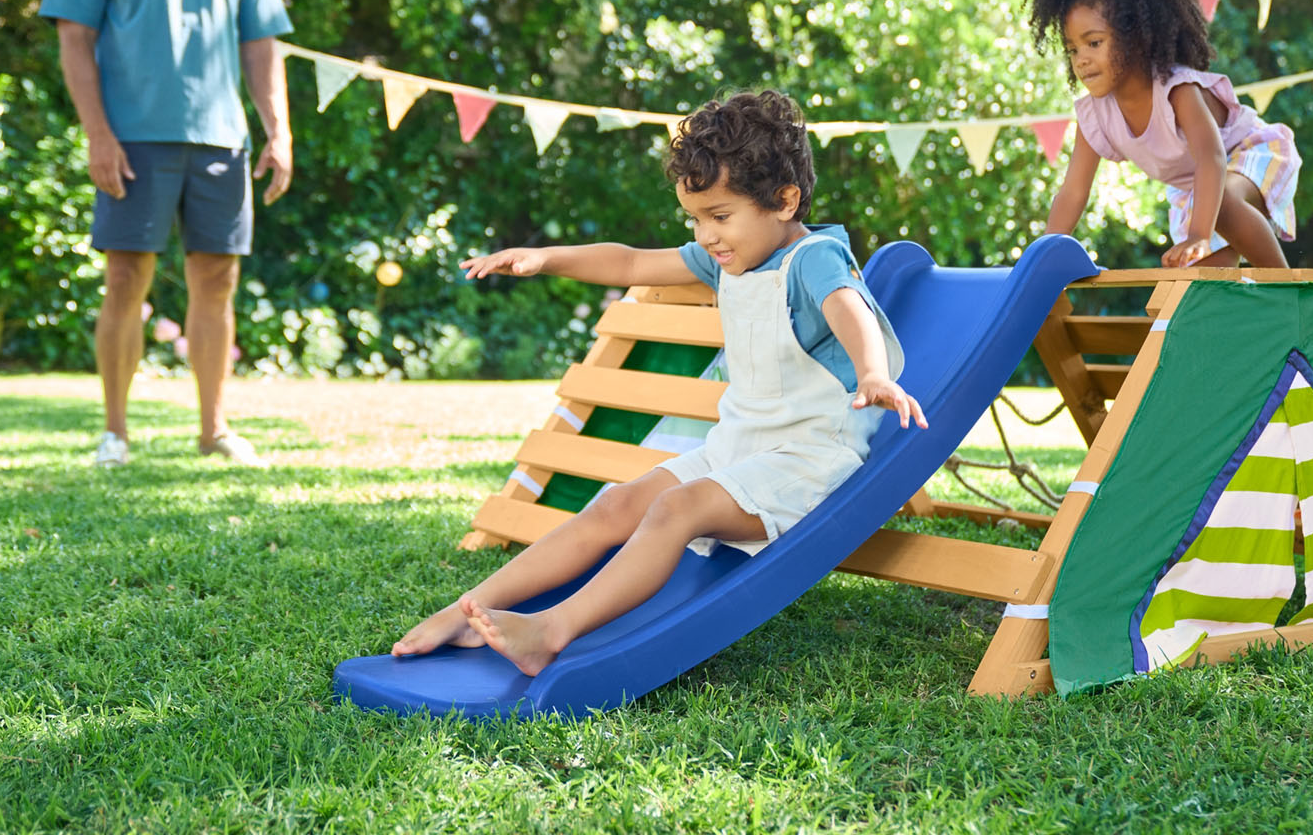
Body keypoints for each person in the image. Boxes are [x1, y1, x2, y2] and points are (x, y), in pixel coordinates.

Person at [392, 90, 925, 677]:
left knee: (674, 509)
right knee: (615, 503)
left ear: (785, 200)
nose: (706, 236)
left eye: (720, 217)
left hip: (807, 462)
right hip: (738, 450)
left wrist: (872, 371)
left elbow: (847, 304)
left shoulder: (815, 258)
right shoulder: (735, 257)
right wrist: (545, 258)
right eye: (695, 219)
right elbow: (628, 264)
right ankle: (470, 609)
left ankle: (553, 629)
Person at [39, 0, 295, 469]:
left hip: (220, 140)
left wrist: (280, 130)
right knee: (126, 279)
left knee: (217, 282)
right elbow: (75, 40)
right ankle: (115, 434)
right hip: (133, 139)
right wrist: (97, 134)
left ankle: (214, 430)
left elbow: (262, 44)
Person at [1028, 0, 1299, 268]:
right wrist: (1041, 259)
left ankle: (1289, 290)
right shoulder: (1095, 115)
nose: (1082, 59)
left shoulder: (1176, 91)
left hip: (1249, 153)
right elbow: (1073, 192)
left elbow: (1211, 158)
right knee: (1199, 281)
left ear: (1136, 39)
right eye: (1072, 49)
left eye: (1094, 43)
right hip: (1198, 191)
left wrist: (1199, 234)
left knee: (1221, 208)